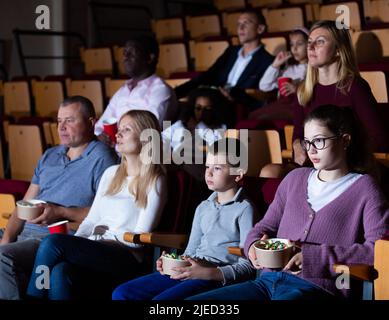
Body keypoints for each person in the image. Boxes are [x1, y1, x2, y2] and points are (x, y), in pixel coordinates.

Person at [188, 105, 389, 300]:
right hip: (266, 282)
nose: (311, 150)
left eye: (319, 141)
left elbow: (376, 251)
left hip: (318, 288)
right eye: (307, 142)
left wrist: (313, 257)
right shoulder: (295, 178)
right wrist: (252, 246)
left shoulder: (365, 188)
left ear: (345, 140)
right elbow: (263, 227)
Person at [26, 110, 167, 300]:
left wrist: (95, 241)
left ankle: (31, 297)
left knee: (53, 242)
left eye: (126, 129)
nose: (117, 134)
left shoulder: (155, 179)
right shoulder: (111, 173)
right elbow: (92, 219)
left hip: (126, 256)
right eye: (118, 129)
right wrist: (80, 242)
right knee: (61, 271)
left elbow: (138, 238)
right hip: (95, 249)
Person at [0, 96, 118, 300]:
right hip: (25, 232)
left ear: (91, 122)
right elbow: (24, 205)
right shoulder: (50, 155)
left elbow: (106, 215)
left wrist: (60, 212)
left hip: (54, 239)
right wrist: (7, 238)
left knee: (2, 257)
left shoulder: (103, 157)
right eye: (59, 120)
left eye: (70, 120)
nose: (62, 127)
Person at [112, 137, 257, 300]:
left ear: (238, 174)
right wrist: (172, 263)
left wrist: (209, 273)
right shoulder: (203, 207)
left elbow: (249, 265)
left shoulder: (245, 209)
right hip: (191, 269)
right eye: (207, 166)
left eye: (217, 168)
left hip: (214, 276)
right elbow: (191, 252)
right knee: (122, 292)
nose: (208, 173)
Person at [291, 20, 388, 166]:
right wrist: (297, 146)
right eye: (309, 41)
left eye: (320, 42)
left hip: (346, 167)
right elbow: (298, 135)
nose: (310, 47)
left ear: (338, 50)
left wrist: (338, 154)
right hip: (314, 166)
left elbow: (378, 139)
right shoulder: (304, 90)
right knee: (270, 171)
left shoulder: (355, 87)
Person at [174, 8, 274, 109]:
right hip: (215, 102)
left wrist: (233, 98)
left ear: (260, 29)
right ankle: (165, 125)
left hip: (237, 108)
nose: (240, 27)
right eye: (238, 24)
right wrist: (175, 93)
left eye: (246, 23)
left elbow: (260, 97)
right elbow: (208, 76)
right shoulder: (231, 52)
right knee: (176, 108)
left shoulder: (268, 61)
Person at [94, 35, 178, 141]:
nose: (125, 57)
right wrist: (100, 136)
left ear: (149, 58)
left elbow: (147, 132)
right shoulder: (123, 90)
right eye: (125, 53)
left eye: (132, 53)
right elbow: (101, 125)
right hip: (115, 148)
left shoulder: (160, 90)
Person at [250, 27, 309, 122]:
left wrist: (297, 90)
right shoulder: (288, 69)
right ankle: (235, 137)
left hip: (298, 107)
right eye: (291, 44)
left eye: (299, 44)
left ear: (309, 45)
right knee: (250, 118)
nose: (294, 48)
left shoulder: (314, 68)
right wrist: (276, 64)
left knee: (260, 119)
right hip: (281, 105)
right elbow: (264, 86)